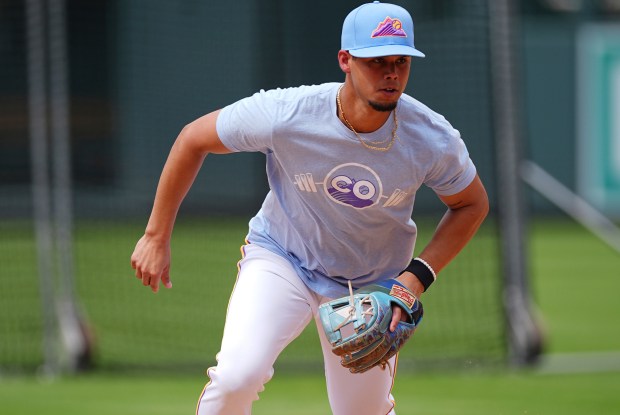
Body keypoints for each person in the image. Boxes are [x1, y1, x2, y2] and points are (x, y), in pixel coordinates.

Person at [130, 1, 489, 414]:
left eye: (400, 61)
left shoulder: (430, 137)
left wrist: (416, 278)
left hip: (371, 284)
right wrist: (156, 235)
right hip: (284, 258)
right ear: (346, 60)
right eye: (376, 61)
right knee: (236, 378)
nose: (391, 73)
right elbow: (193, 139)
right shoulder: (289, 114)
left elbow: (471, 204)